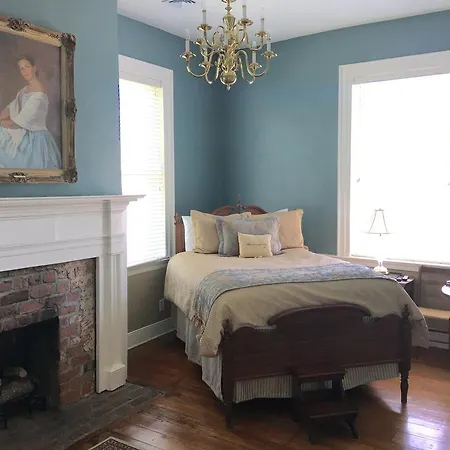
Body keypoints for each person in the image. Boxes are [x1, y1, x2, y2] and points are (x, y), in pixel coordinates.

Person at [0, 55, 61, 169]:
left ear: (34, 68)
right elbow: (10, 108)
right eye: (21, 68)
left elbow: (18, 123)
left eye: (27, 66)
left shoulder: (39, 95)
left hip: (35, 140)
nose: (24, 71)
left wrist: (1, 123)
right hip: (23, 133)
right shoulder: (24, 90)